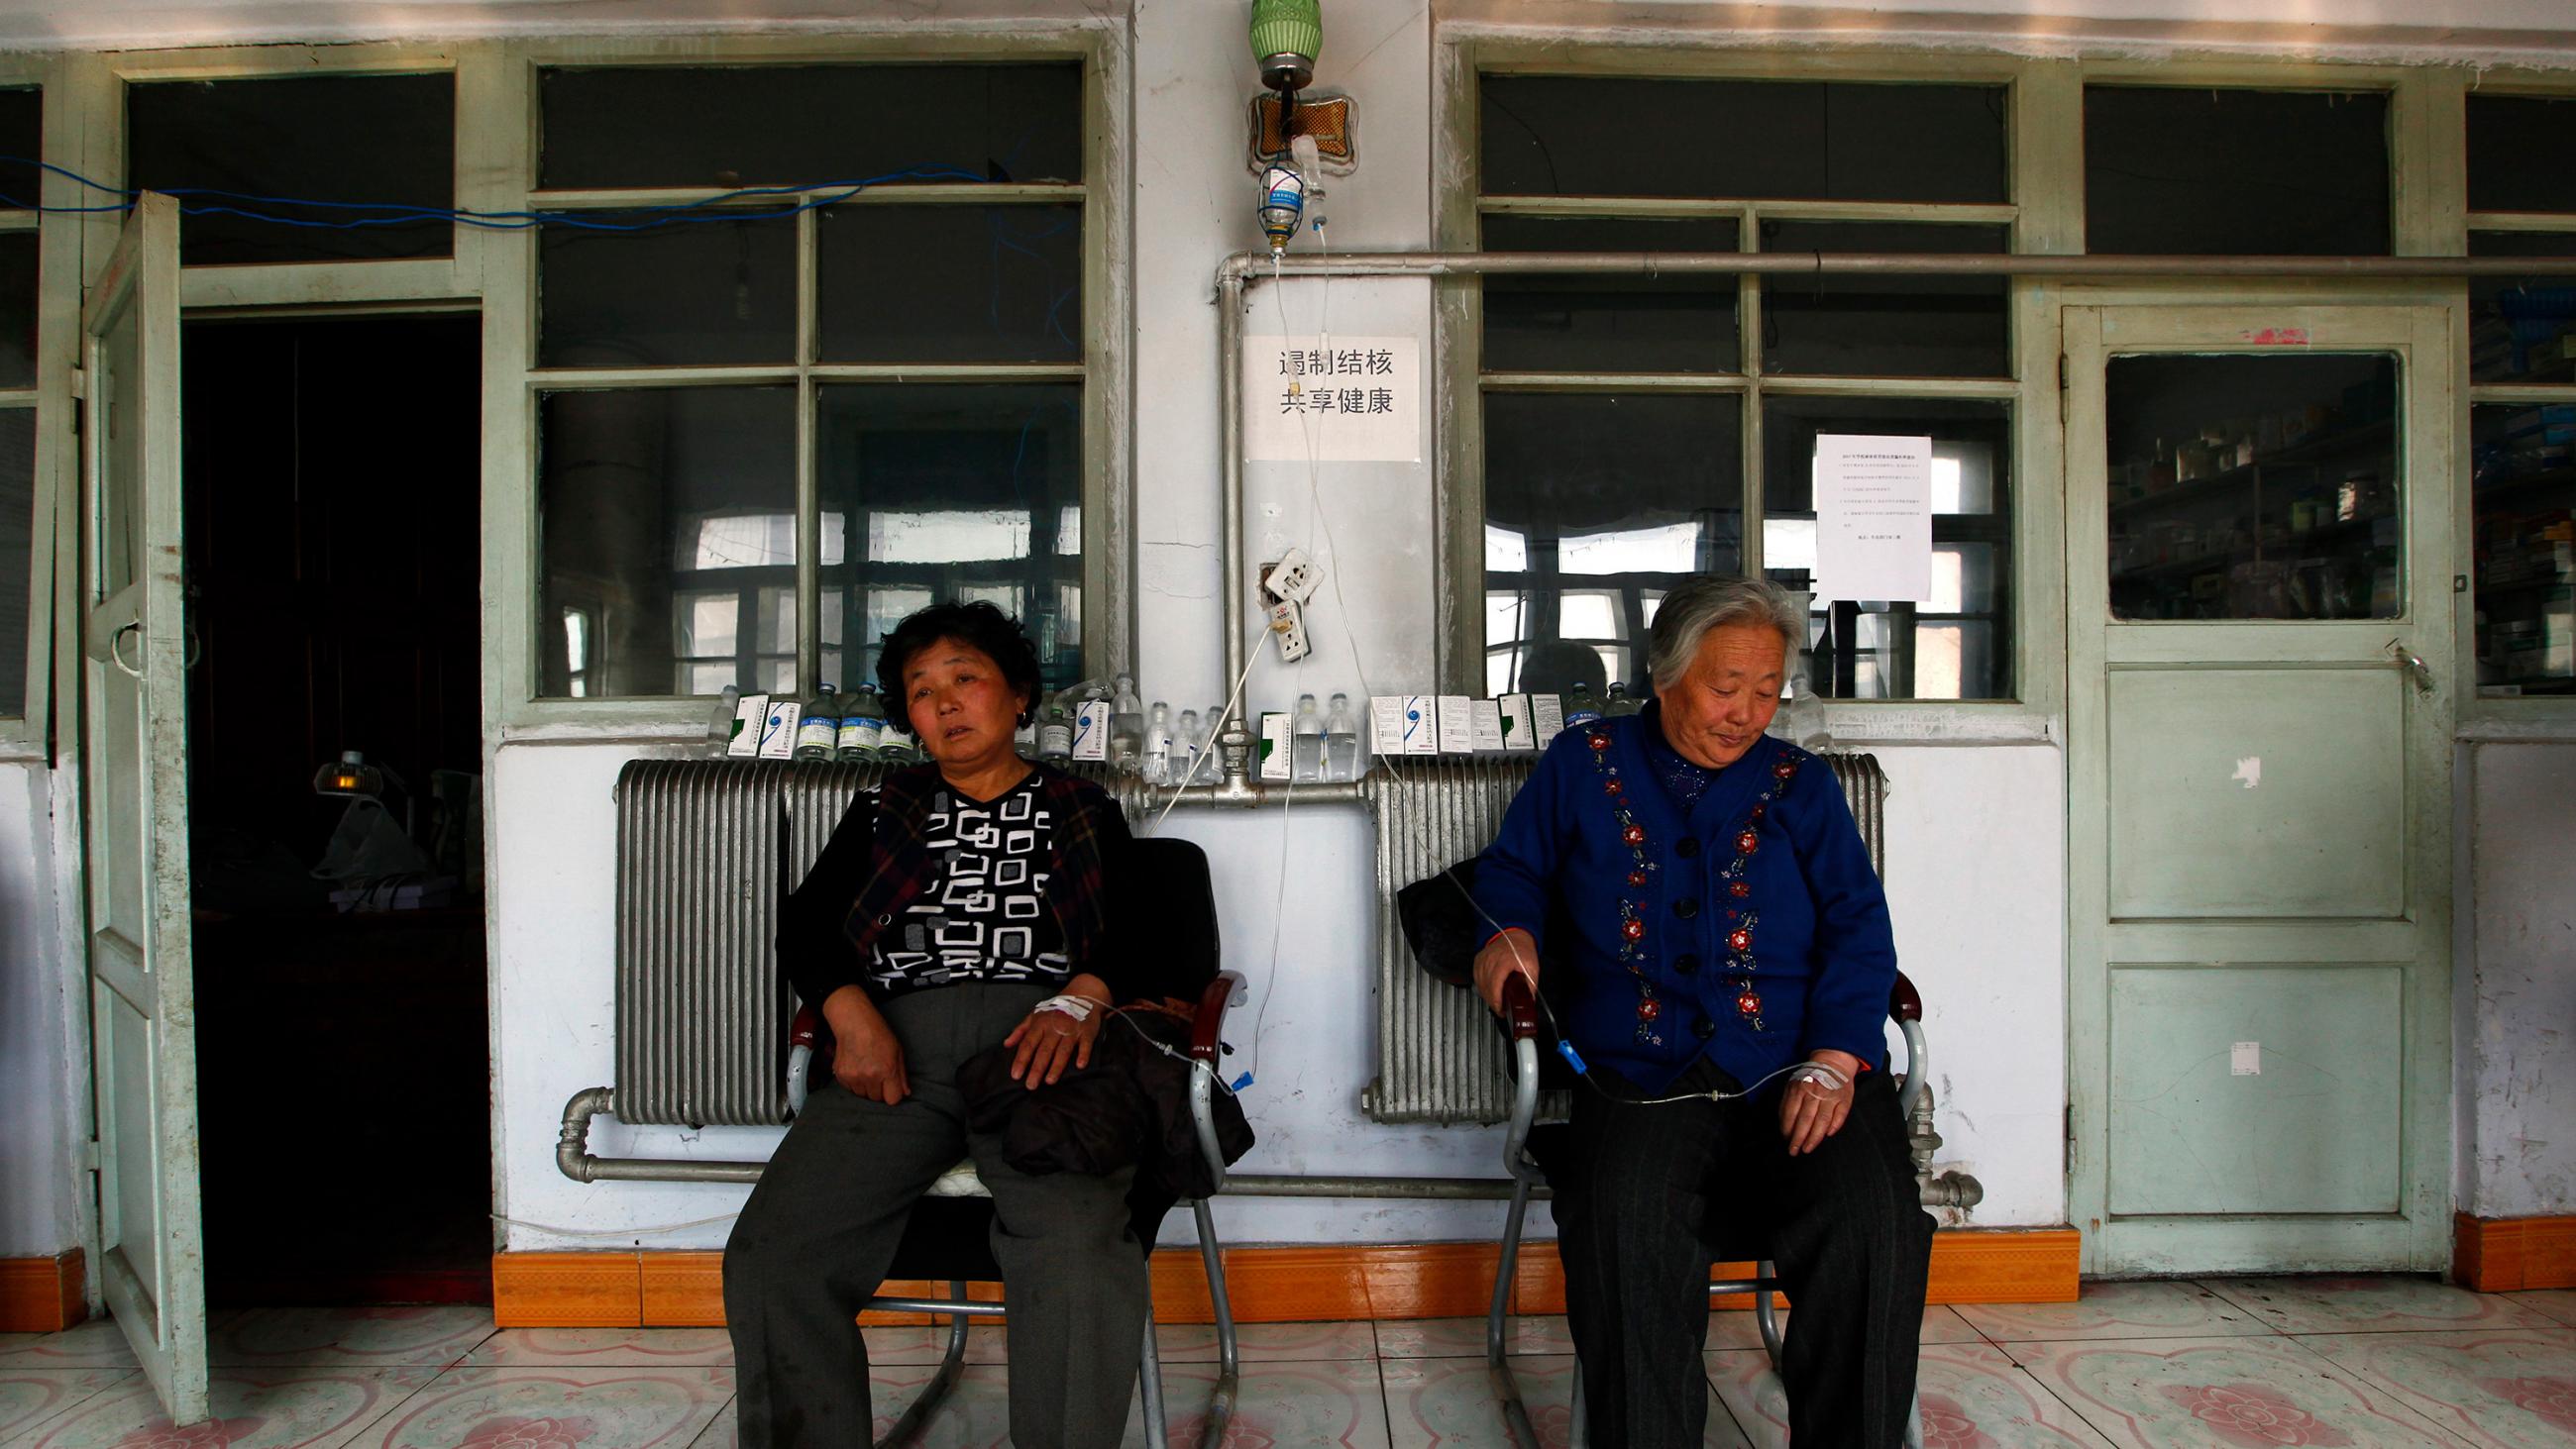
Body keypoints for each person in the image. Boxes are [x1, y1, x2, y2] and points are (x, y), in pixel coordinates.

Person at [1470, 574, 1933, 1448]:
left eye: (1768, 690)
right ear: (1663, 674)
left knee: (1874, 1222)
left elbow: (1860, 926)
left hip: (1800, 1067)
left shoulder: (1802, 785)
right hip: (1645, 1075)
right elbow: (1510, 872)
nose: (1749, 712)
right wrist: (1511, 933)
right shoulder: (1585, 761)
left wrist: (1838, 1057)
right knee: (1625, 1226)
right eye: (1727, 688)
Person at [723, 600, 1143, 1449]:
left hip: (1039, 1053)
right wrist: (850, 1017)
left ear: (1019, 695)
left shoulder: (1081, 806)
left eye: (966, 679)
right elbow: (807, 926)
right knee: (776, 1254)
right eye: (922, 691)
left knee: (1073, 1256)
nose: (946, 703)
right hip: (894, 1050)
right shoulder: (887, 807)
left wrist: (1081, 997)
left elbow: (1143, 930)